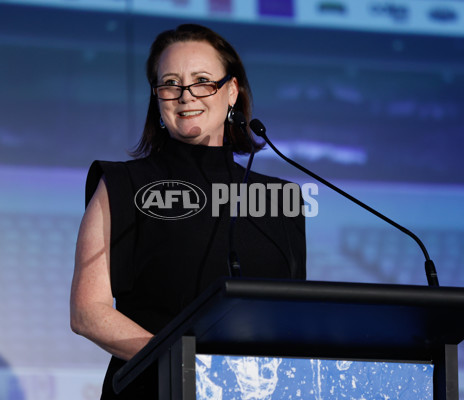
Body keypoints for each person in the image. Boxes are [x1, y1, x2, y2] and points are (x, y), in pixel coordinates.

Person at [70, 23, 306, 398]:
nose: (185, 96)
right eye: (170, 83)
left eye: (202, 80)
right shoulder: (121, 184)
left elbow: (294, 318)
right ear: (157, 97)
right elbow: (88, 313)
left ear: (231, 91)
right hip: (156, 387)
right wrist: (188, 368)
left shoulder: (282, 197)